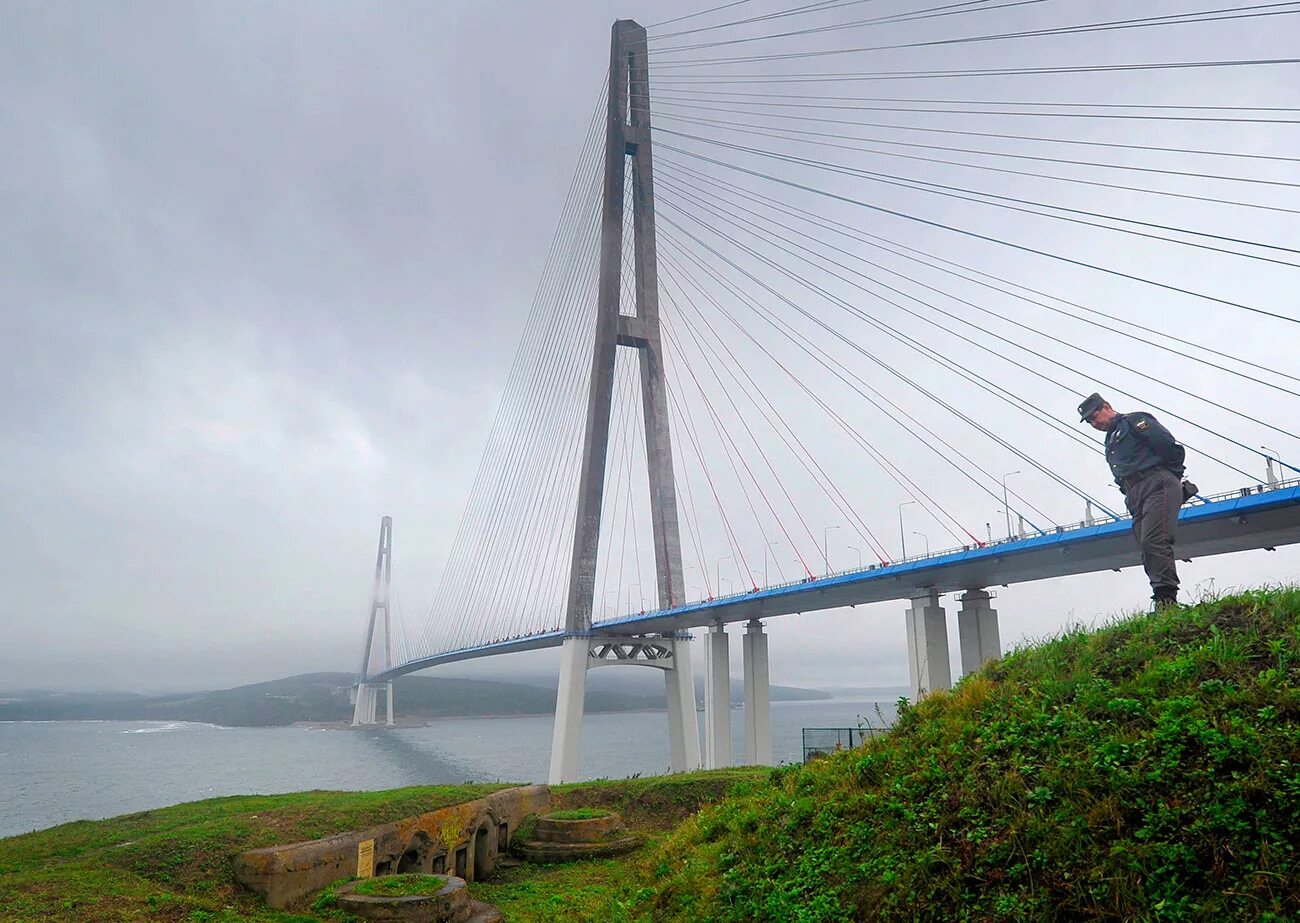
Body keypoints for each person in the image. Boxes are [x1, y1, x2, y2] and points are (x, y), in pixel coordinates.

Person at [1077, 392, 1189, 609]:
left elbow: (1168, 445)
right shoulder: (1110, 439)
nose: (1094, 423)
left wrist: (1171, 477)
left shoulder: (1134, 421)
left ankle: (1167, 599)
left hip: (1156, 482)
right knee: (1146, 545)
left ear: (1107, 406)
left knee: (1155, 540)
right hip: (1135, 493)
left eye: (1094, 416)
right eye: (1089, 421)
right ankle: (1160, 596)